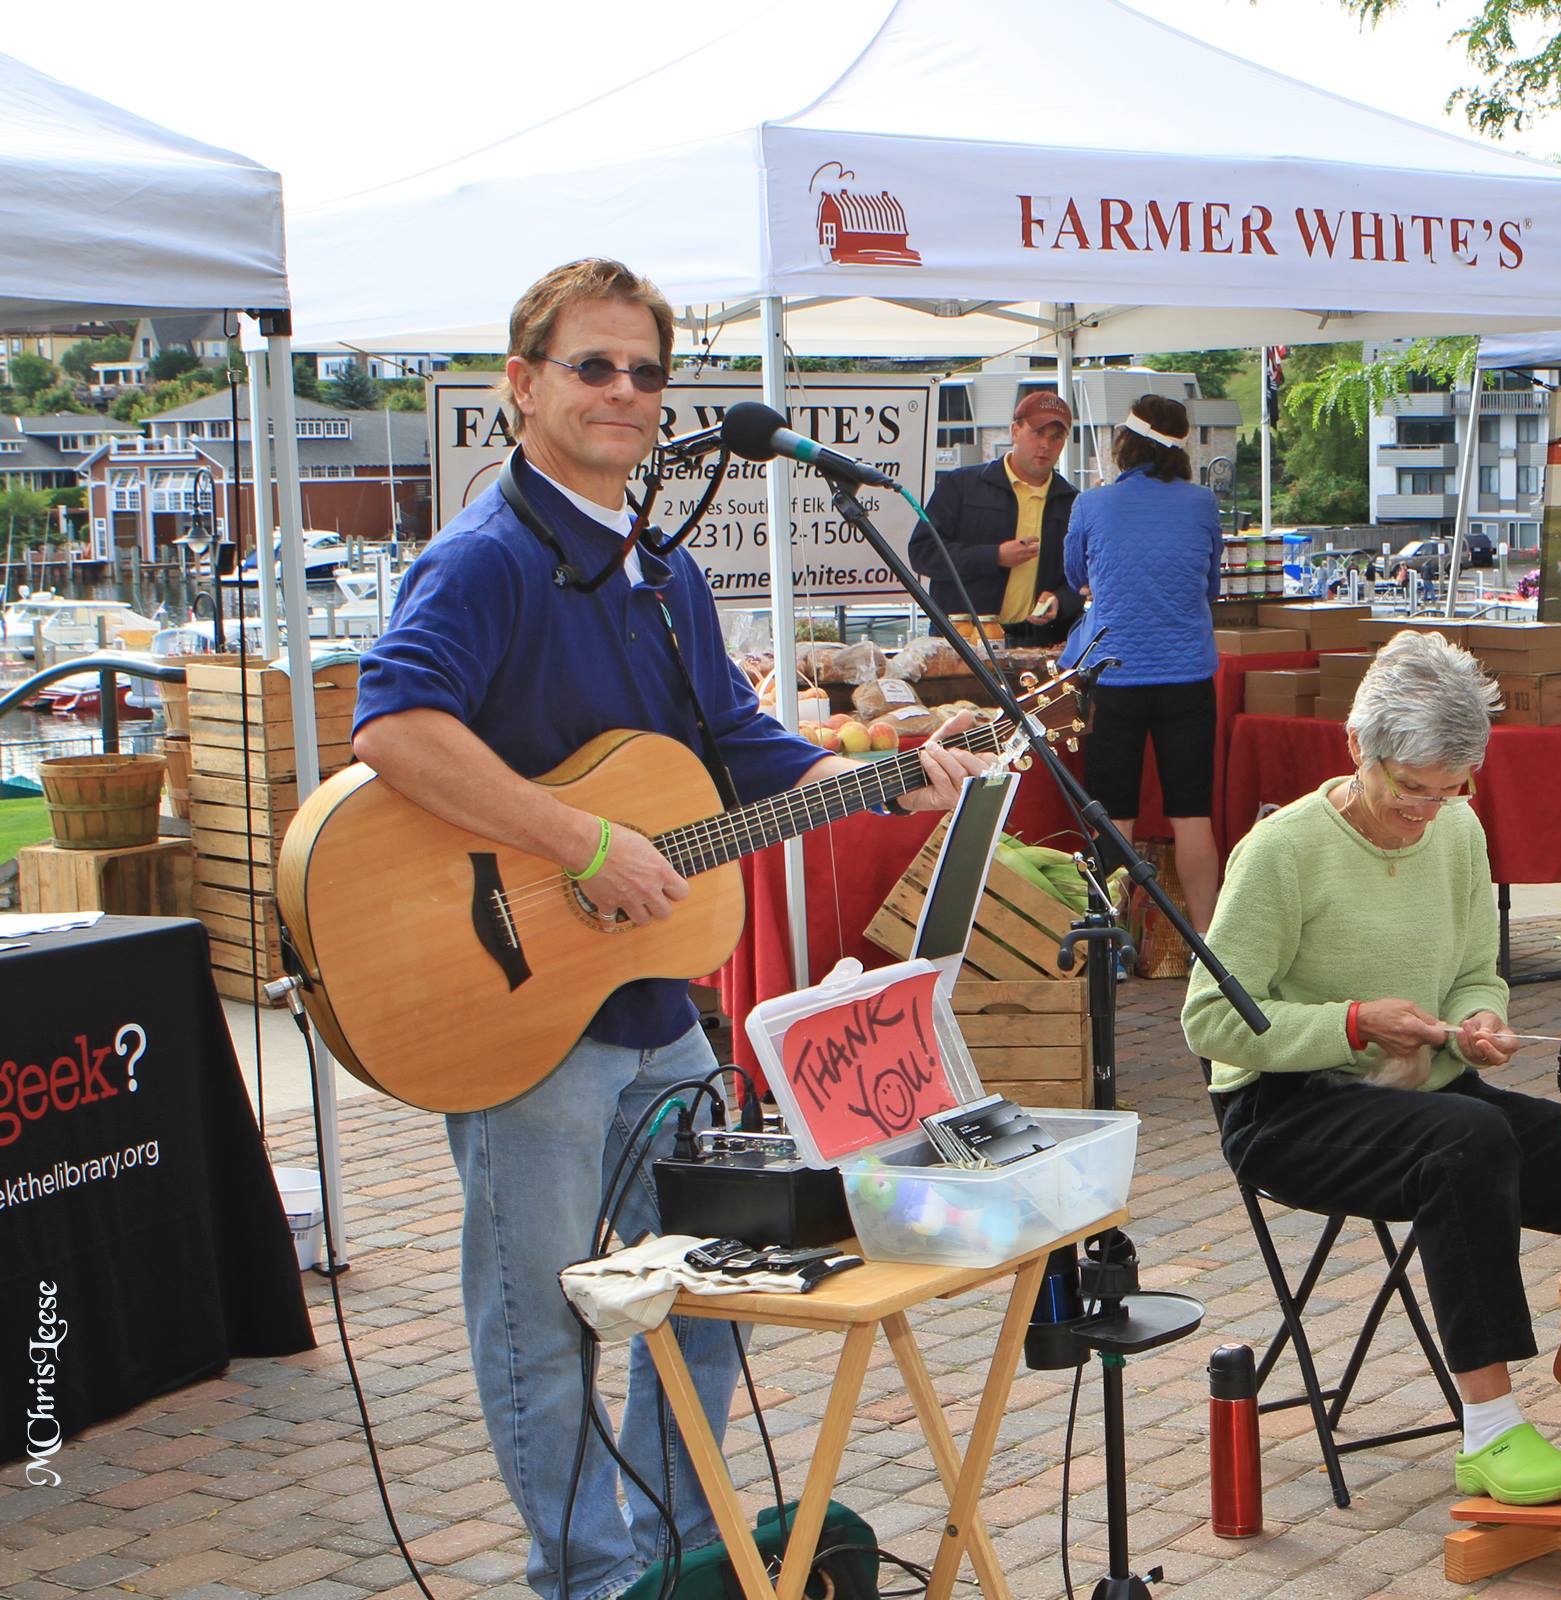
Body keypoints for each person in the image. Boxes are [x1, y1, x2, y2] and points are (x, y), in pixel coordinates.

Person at [350, 258, 991, 1600]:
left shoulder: (661, 573)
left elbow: (742, 747)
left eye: (647, 371)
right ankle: (585, 1579)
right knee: (542, 1325)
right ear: (521, 386)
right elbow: (397, 728)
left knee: (716, 1283)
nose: (626, 393)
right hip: (520, 1012)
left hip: (655, 1016)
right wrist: (581, 840)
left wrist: (886, 773)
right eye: (594, 366)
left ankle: (673, 1550)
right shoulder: (484, 561)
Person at [1182, 631, 1561, 1507]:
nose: (1429, 810)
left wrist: (1481, 1020)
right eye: (1411, 788)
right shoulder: (1283, 852)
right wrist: (1351, 1022)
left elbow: (1476, 974)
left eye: (1453, 789)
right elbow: (1211, 1019)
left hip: (1431, 1096)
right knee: (1468, 1139)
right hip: (1286, 1110)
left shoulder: (1459, 831)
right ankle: (1489, 1432)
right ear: (1356, 749)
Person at [1062, 393, 1224, 930]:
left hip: (1115, 674)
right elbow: (1210, 585)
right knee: (1192, 814)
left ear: (1124, 444)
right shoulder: (1203, 503)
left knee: (1114, 816)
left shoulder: (1091, 504)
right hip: (1189, 676)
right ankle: (1206, 938)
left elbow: (1073, 574)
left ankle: (1111, 945)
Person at [910, 390, 1084, 646]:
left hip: (1041, 646)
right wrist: (995, 556)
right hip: (966, 643)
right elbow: (923, 553)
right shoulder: (961, 485)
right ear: (1015, 431)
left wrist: (1060, 599)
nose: (1046, 445)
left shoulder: (1073, 502)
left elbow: (1083, 577)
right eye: (1037, 433)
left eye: (1057, 437)